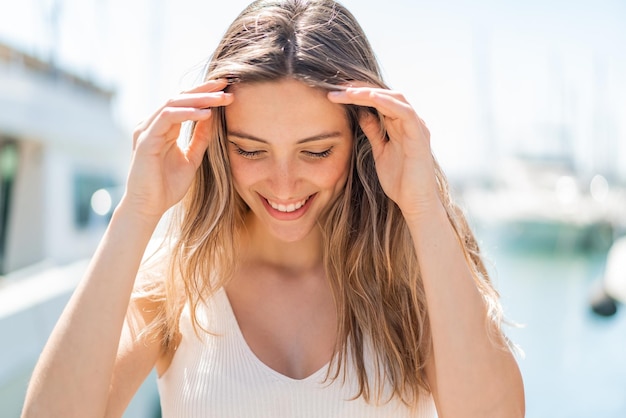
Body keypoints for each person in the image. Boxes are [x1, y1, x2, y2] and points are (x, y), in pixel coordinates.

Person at [21, 0, 525, 416]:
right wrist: (136, 212)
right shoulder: (178, 279)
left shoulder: (412, 275)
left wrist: (422, 207)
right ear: (220, 142)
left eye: (316, 151)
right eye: (251, 149)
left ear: (362, 139)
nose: (284, 185)